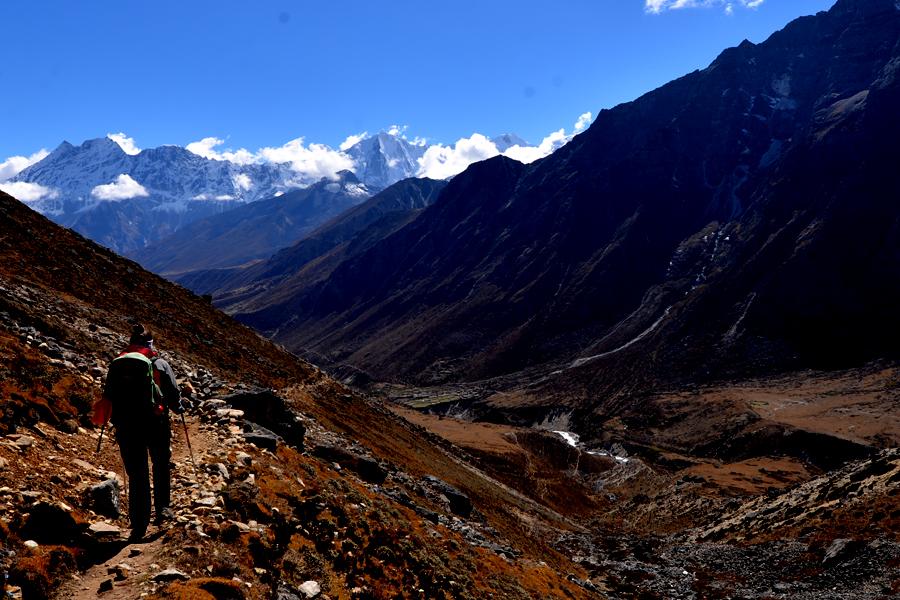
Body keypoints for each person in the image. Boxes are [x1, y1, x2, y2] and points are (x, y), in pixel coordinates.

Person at [106, 323, 184, 541]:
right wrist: (178, 407)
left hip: (126, 425)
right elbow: (173, 393)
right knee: (160, 463)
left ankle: (139, 523)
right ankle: (162, 510)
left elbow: (109, 394)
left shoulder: (118, 364)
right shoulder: (158, 363)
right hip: (155, 422)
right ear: (150, 344)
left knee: (137, 473)